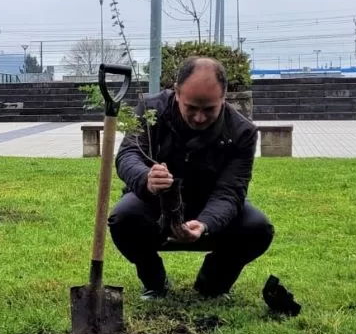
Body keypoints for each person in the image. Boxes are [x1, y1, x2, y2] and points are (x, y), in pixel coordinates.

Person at [108, 56, 274, 300]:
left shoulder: (242, 132)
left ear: (224, 97)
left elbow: (230, 191)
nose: (199, 117)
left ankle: (212, 283)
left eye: (209, 109)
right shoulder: (151, 110)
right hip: (156, 205)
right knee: (123, 218)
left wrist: (205, 224)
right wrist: (146, 179)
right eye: (191, 107)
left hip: (210, 207)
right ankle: (154, 280)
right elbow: (128, 154)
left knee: (258, 228)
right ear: (177, 92)